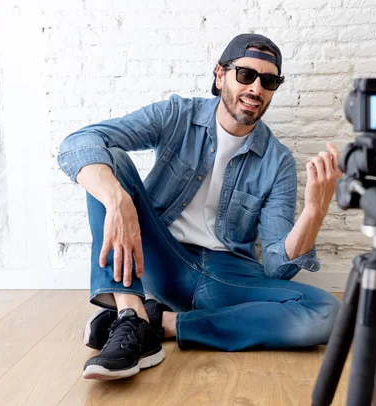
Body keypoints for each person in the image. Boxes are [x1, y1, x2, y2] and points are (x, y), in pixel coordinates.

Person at [57, 33, 342, 380]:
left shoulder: (277, 160)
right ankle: (130, 317)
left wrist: (314, 211)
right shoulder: (177, 115)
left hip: (226, 275)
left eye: (269, 81)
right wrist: (118, 202)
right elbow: (80, 142)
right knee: (109, 161)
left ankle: (163, 324)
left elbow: (278, 269)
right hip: (161, 258)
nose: (256, 88)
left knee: (327, 312)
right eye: (246, 74)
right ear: (220, 74)